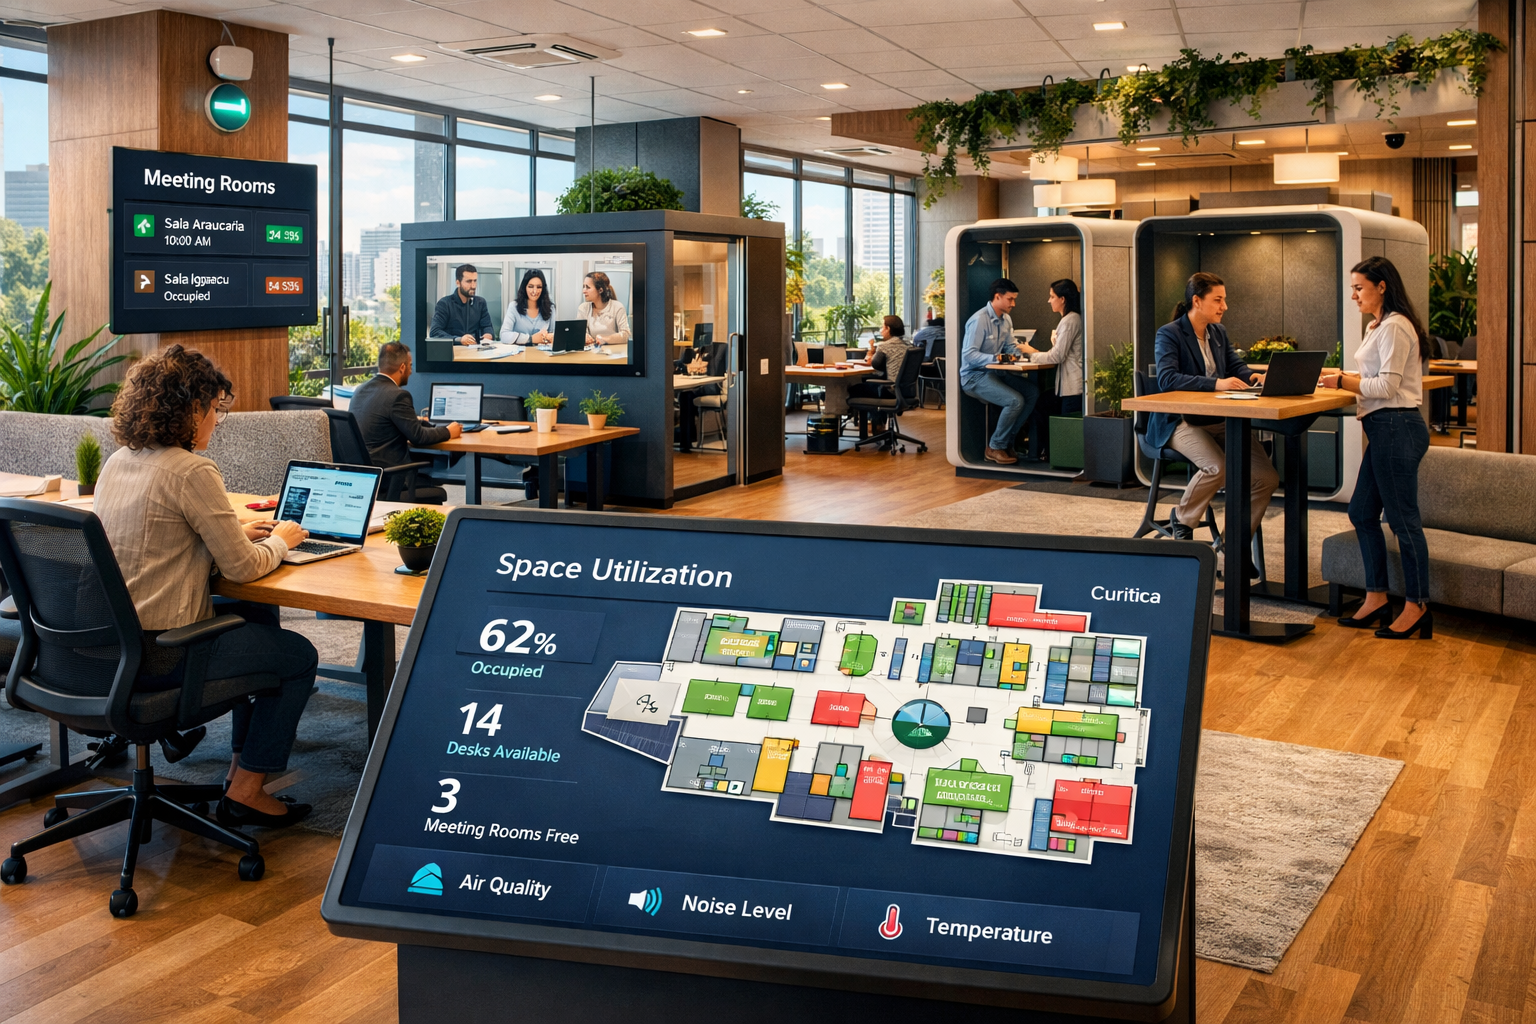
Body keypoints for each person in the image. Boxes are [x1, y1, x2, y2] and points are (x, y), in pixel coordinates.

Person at [94, 345, 318, 829]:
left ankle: (240, 770)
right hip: (163, 654)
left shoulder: (119, 462)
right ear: (192, 408)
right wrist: (280, 540)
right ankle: (248, 790)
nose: (218, 420)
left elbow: (159, 533)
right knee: (297, 656)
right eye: (216, 409)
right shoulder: (191, 469)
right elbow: (241, 568)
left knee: (257, 616)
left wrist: (232, 531)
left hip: (105, 647)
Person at [1321, 256, 1434, 639]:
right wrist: (1340, 376)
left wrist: (1341, 383)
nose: (1353, 295)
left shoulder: (1396, 327)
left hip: (1397, 427)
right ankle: (1376, 596)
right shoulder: (1378, 325)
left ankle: (1417, 605)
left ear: (1381, 286)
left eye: (1359, 287)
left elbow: (1386, 387)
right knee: (1362, 512)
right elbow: (1374, 377)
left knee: (1403, 522)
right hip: (1385, 428)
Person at [1147, 272, 1277, 559]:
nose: (1224, 306)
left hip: (1219, 419)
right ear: (1197, 300)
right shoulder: (1169, 333)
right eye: (1218, 300)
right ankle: (1181, 518)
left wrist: (1252, 375)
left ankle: (1233, 545)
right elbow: (1167, 379)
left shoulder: (1218, 332)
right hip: (1181, 421)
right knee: (1218, 467)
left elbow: (1235, 366)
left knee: (1266, 477)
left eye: (1224, 300)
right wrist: (1216, 383)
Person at [349, 342, 461, 504]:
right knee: (433, 480)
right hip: (391, 478)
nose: (411, 370)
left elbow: (391, 423)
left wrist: (421, 422)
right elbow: (419, 437)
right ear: (402, 367)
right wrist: (449, 431)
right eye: (410, 365)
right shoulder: (398, 396)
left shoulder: (360, 390)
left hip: (366, 477)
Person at [960, 278, 1039, 465]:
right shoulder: (979, 320)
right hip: (974, 376)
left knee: (1032, 392)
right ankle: (995, 446)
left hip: (995, 373)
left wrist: (1019, 354)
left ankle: (1006, 442)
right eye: (1010, 299)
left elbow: (1010, 345)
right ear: (998, 296)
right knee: (1015, 401)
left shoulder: (1006, 320)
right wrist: (996, 358)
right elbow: (969, 355)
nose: (1014, 303)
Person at [1021, 279, 1084, 416]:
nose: (1049, 301)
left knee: (1068, 429)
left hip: (1073, 387)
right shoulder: (1071, 319)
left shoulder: (1069, 321)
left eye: (1052, 296)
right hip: (1071, 386)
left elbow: (1057, 356)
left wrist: (1031, 354)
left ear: (1062, 299)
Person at [848, 315, 911, 435]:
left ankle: (874, 426)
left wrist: (872, 352)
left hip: (890, 390)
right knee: (875, 386)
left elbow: (875, 364)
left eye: (882, 327)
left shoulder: (884, 346)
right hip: (906, 391)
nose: (880, 330)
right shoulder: (907, 345)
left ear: (888, 328)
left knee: (856, 389)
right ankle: (879, 426)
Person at [430, 264, 494, 346]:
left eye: (475, 281)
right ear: (458, 283)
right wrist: (459, 339)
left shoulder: (480, 302)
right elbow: (435, 332)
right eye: (469, 281)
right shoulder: (445, 304)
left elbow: (487, 326)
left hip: (475, 351)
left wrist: (487, 335)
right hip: (452, 352)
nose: (473, 286)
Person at [501, 269, 553, 347]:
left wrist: (550, 337)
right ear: (525, 287)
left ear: (543, 289)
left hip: (542, 356)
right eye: (531, 286)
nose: (535, 291)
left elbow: (554, 335)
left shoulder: (550, 308)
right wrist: (530, 339)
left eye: (539, 287)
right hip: (519, 357)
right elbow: (504, 335)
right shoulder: (514, 307)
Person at [579, 271, 630, 349]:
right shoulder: (583, 308)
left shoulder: (617, 307)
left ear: (600, 290)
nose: (584, 291)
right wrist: (583, 336)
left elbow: (626, 335)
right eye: (584, 286)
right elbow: (579, 332)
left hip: (614, 354)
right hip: (592, 353)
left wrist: (605, 339)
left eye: (588, 287)